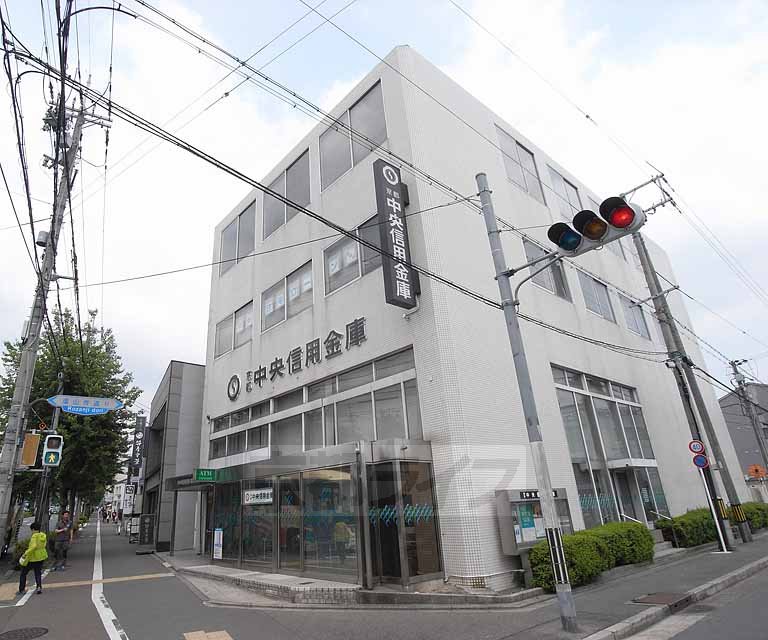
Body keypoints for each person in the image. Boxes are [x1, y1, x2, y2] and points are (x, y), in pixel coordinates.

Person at [18, 521, 47, 595]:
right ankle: (39, 587)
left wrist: (25, 553)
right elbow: (44, 545)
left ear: (33, 529)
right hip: (41, 556)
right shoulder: (43, 535)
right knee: (38, 573)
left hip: (33, 558)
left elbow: (33, 546)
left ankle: (21, 589)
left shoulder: (34, 536)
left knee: (23, 573)